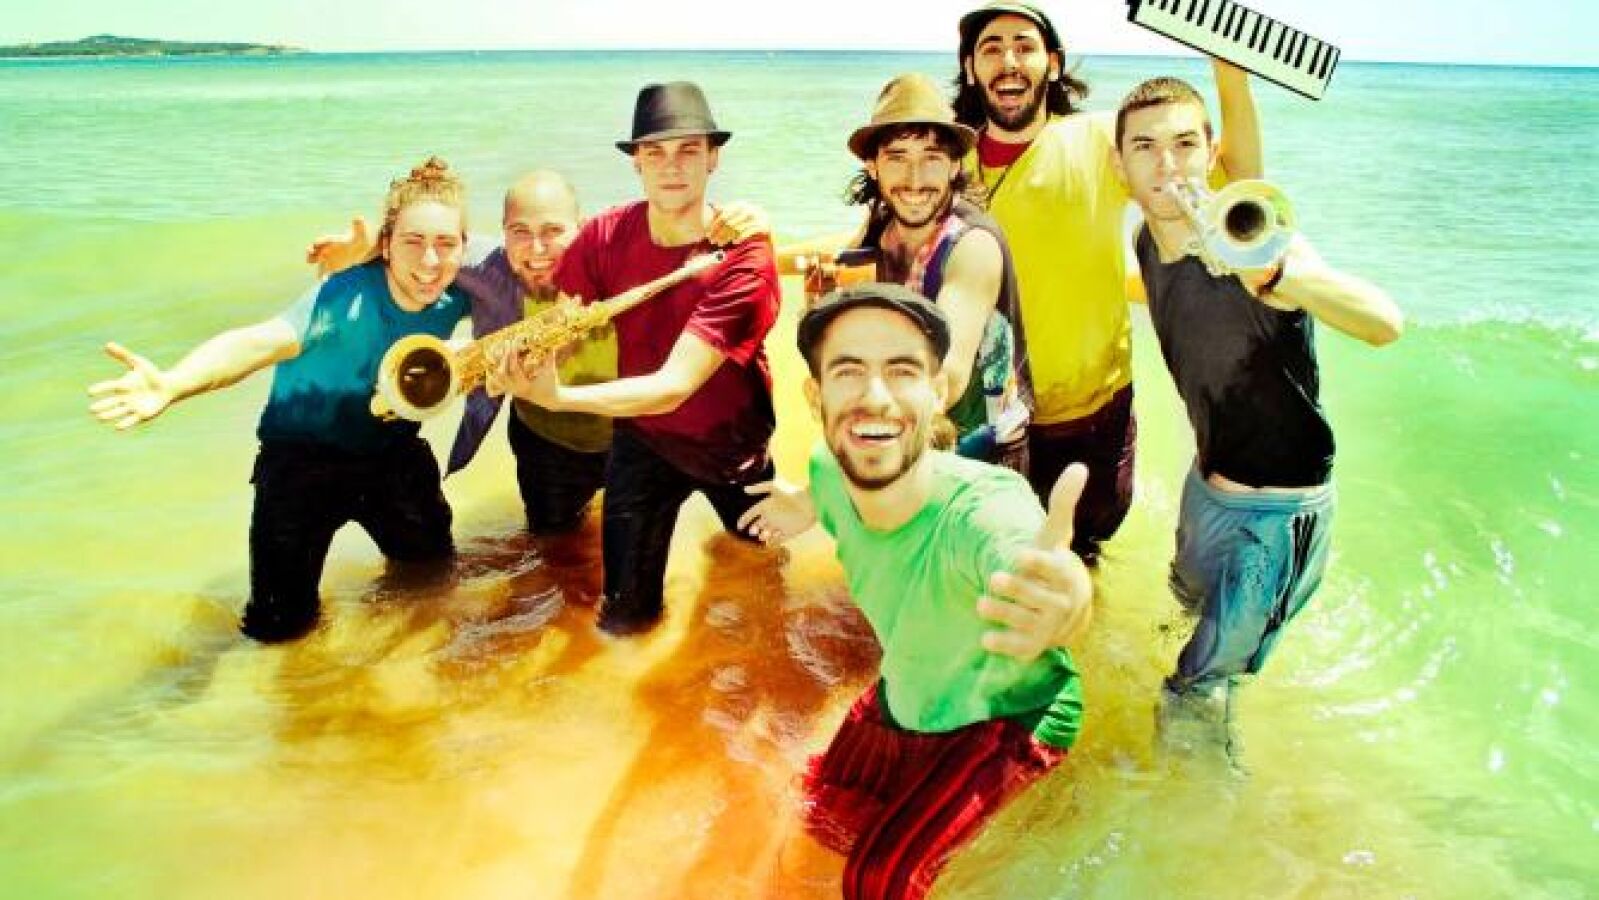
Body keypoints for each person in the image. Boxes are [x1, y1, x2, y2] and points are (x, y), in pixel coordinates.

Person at [737, 283, 1092, 899]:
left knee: (878, 878)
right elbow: (826, 483)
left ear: (939, 392)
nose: (875, 398)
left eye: (902, 371)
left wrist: (1066, 600)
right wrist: (802, 506)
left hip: (1010, 712)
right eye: (849, 372)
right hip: (913, 687)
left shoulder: (981, 509)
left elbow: (1029, 560)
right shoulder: (829, 467)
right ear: (815, 396)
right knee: (819, 814)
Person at [1111, 76, 1403, 770]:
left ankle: (1211, 818)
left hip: (1275, 520)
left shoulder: (1263, 245)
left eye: (1185, 144)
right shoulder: (1146, 242)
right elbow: (1161, 294)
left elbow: (1383, 323)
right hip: (1204, 489)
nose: (1168, 165)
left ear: (1211, 153)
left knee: (1195, 690)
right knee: (1181, 606)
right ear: (1120, 167)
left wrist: (1278, 280)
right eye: (1145, 147)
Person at [88, 157, 474, 642]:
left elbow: (526, 268)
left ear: (464, 246)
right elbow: (257, 343)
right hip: (299, 467)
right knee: (279, 627)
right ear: (386, 244)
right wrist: (174, 383)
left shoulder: (461, 293)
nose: (430, 262)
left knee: (430, 580)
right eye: (413, 242)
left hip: (392, 454)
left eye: (445, 244)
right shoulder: (342, 298)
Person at [953, 1, 1263, 562]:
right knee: (995, 563)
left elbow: (1239, 179)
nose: (1009, 61)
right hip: (991, 418)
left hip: (1097, 413)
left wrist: (1230, 74)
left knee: (1086, 553)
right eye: (991, 49)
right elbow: (883, 240)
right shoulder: (948, 163)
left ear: (1052, 63)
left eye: (1024, 46)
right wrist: (787, 254)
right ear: (971, 69)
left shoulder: (1100, 142)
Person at [306, 172, 769, 535]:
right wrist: (365, 251)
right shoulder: (485, 267)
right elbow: (425, 249)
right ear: (503, 234)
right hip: (545, 445)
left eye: (553, 231)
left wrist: (755, 222)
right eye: (520, 232)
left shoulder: (621, 262)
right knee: (554, 552)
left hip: (635, 443)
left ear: (583, 229)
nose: (537, 249)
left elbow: (720, 258)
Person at [494, 81, 781, 637]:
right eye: (655, 152)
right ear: (637, 163)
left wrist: (558, 397)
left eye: (688, 150)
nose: (671, 167)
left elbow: (674, 386)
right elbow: (558, 318)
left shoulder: (746, 258)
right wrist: (490, 357)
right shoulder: (604, 235)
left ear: (714, 158)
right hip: (642, 440)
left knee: (763, 580)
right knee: (624, 617)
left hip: (731, 444)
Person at [833, 72, 1032, 470]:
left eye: (932, 158)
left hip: (982, 458)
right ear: (872, 165)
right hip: (902, 439)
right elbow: (842, 273)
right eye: (897, 158)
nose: (915, 180)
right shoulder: (880, 225)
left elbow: (948, 376)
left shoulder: (972, 245)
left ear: (955, 164)